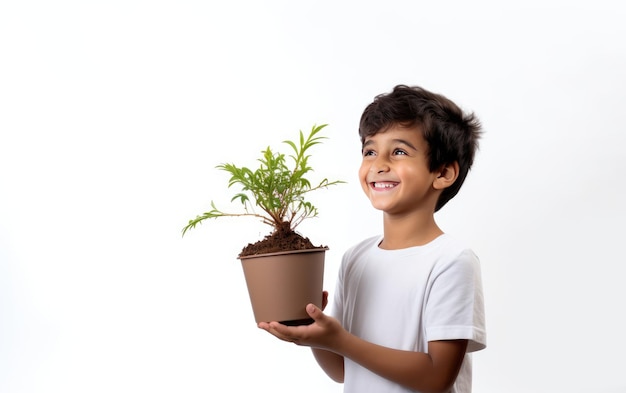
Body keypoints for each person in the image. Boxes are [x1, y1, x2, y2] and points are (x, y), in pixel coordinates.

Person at [258, 84, 486, 393]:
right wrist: (315, 335)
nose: (378, 165)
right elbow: (341, 369)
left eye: (399, 151)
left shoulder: (451, 261)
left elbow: (437, 376)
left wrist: (340, 339)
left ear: (443, 173)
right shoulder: (357, 258)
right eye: (370, 151)